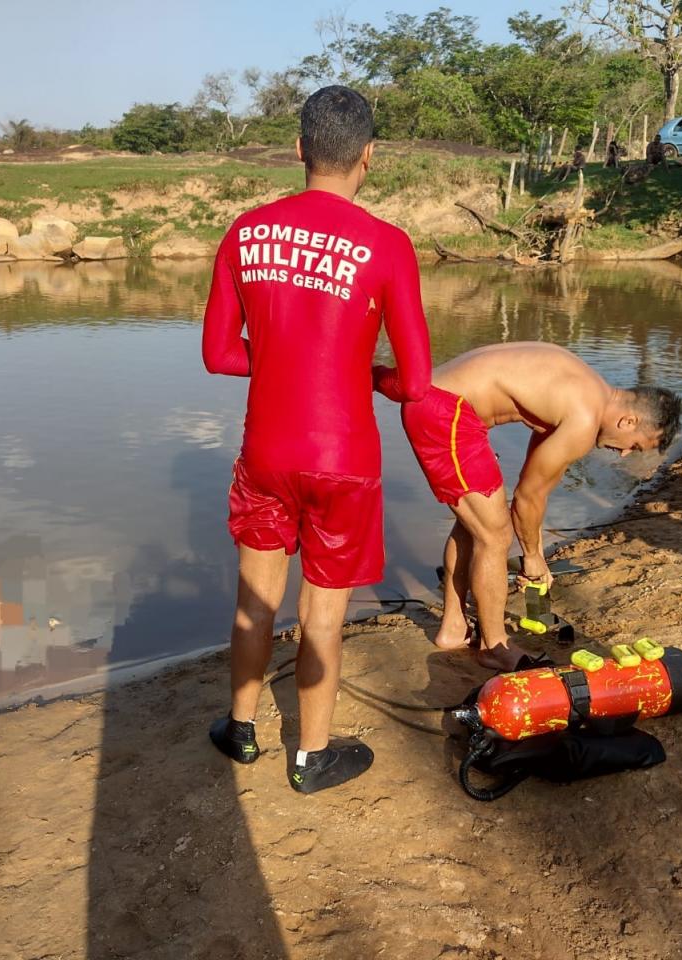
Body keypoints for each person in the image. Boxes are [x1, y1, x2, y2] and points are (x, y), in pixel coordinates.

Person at [202, 86, 431, 793]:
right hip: (343, 460)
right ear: (370, 155)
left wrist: (283, 359)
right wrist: (364, 374)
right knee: (322, 616)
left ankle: (241, 729)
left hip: (266, 453)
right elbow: (415, 383)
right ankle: (312, 757)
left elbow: (219, 354)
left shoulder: (246, 232)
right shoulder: (388, 245)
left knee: (255, 601)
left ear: (299, 148)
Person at [374, 343, 682, 673]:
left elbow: (533, 489)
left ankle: (453, 627)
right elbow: (527, 498)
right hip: (445, 412)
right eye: (634, 445)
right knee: (494, 535)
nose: (623, 454)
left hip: (441, 404)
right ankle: (494, 647)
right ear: (629, 420)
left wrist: (534, 552)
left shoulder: (587, 390)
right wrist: (533, 557)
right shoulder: (584, 419)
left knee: (478, 522)